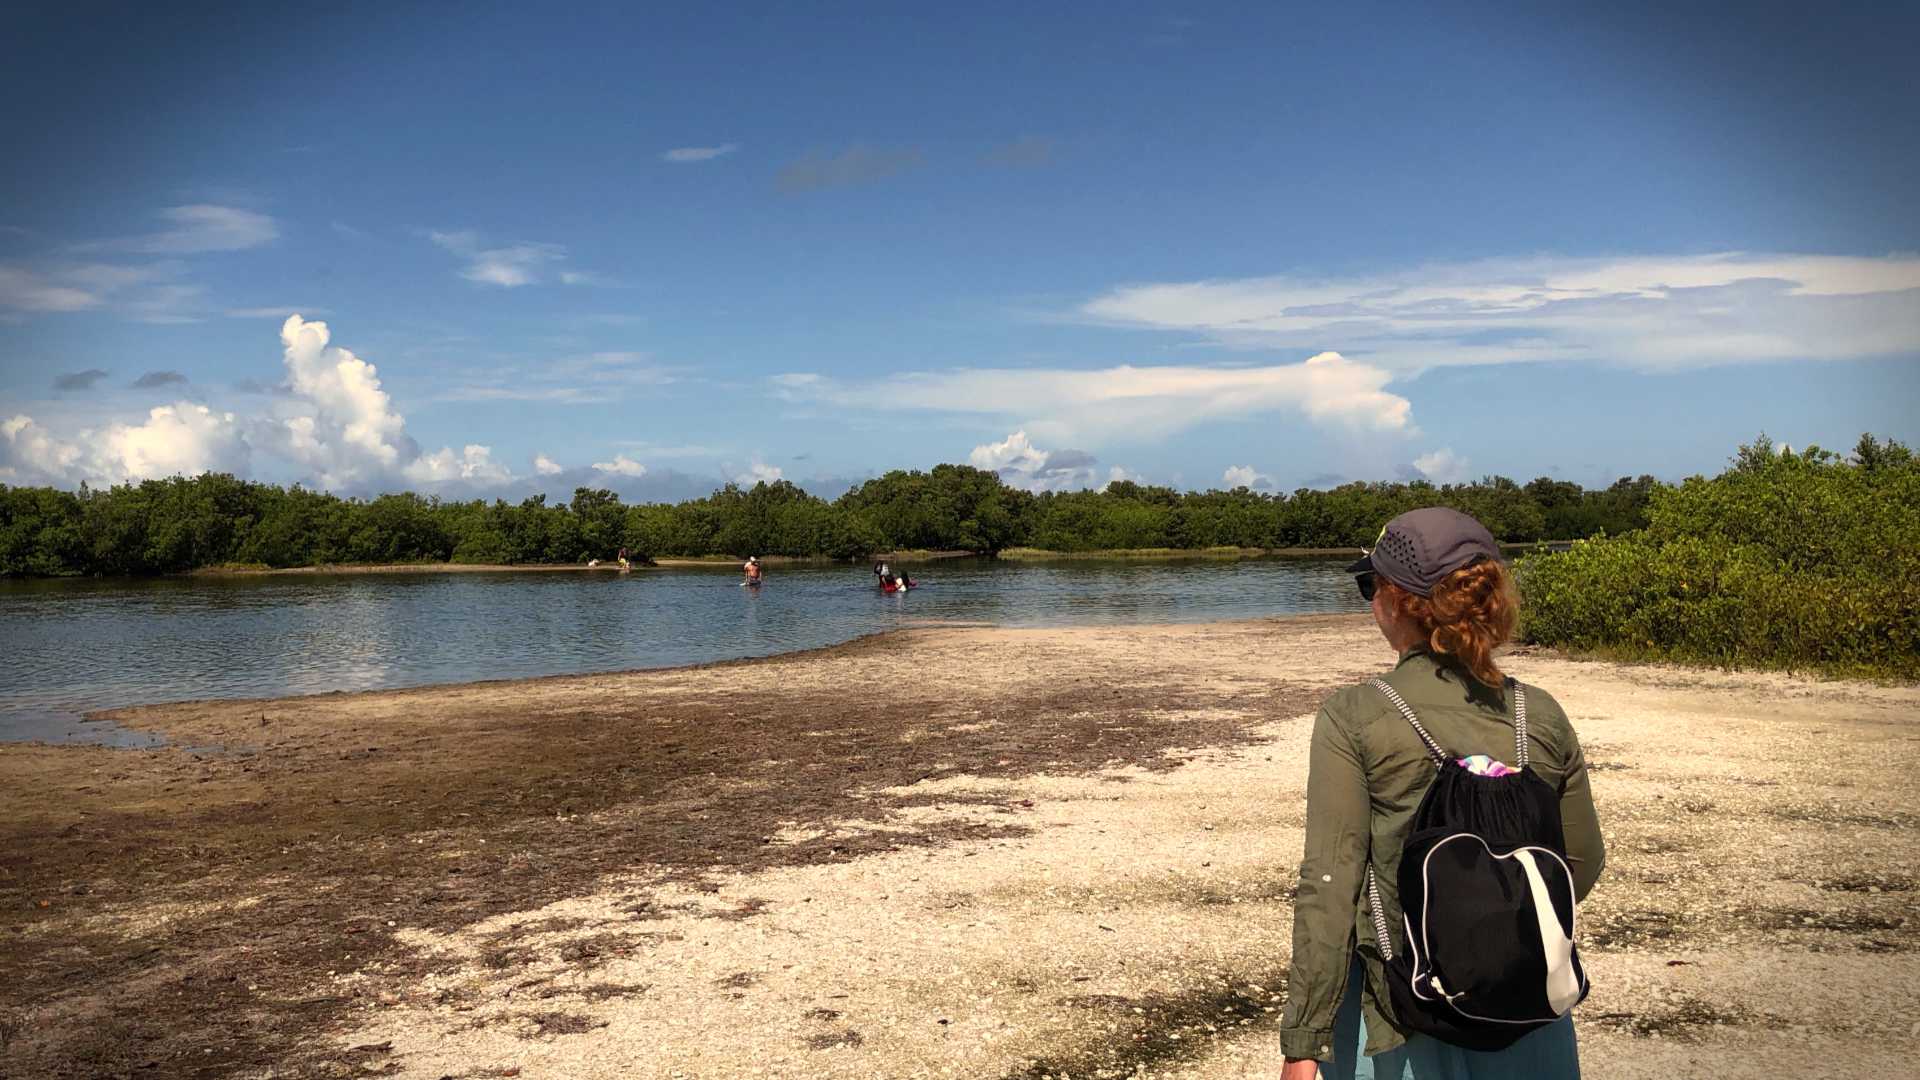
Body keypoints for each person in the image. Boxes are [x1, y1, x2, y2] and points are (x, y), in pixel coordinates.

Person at [1280, 507, 1605, 1080]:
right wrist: (1494, 920)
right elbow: (1582, 860)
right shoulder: (1541, 714)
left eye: (1367, 586)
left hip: (1402, 1014)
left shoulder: (1355, 716)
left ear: (1395, 599)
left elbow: (1329, 886)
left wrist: (1304, 1042)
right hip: (1526, 1005)